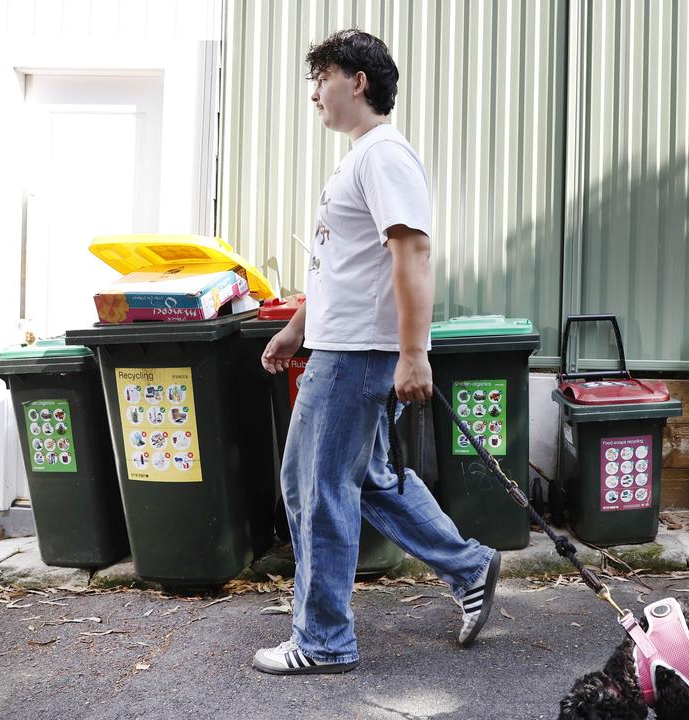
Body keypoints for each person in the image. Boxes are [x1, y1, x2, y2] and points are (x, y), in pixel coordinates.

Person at [252, 28, 500, 676]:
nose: (314, 95)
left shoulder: (384, 155)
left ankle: (324, 639)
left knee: (314, 486)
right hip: (342, 345)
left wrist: (413, 354)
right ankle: (470, 568)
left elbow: (412, 253)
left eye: (322, 79)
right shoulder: (362, 156)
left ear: (356, 82)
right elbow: (347, 266)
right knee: (368, 481)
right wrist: (299, 328)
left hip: (357, 356)